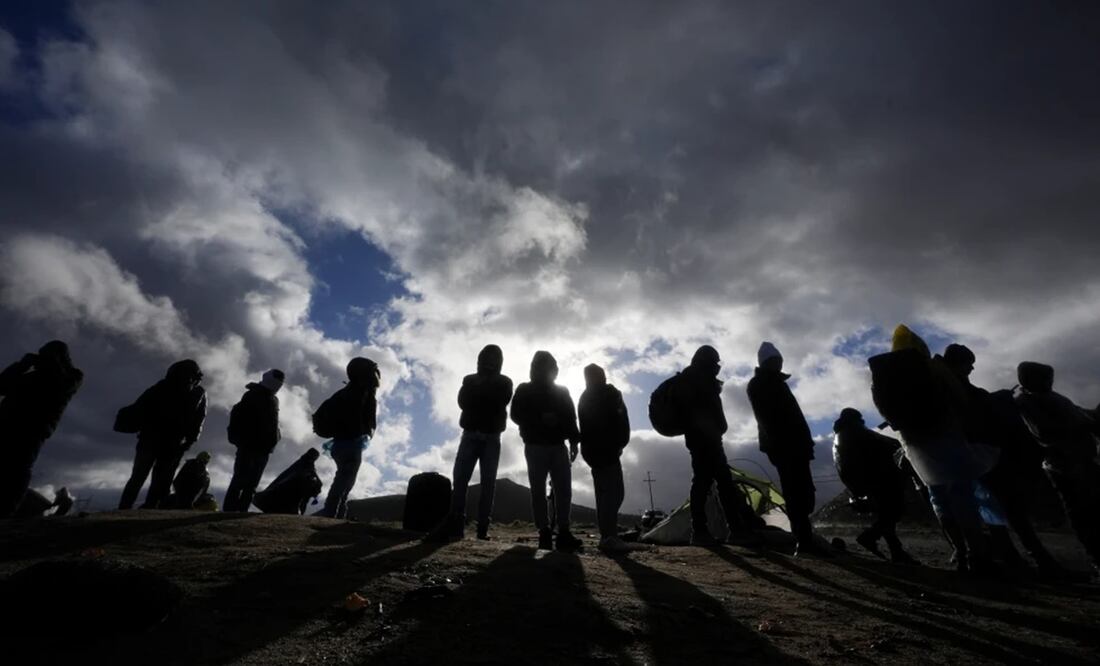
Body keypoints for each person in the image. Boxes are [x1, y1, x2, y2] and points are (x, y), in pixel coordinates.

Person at [873, 326, 997, 574]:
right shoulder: (933, 367)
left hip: (915, 446)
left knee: (939, 499)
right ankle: (977, 556)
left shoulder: (884, 372)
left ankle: (960, 552)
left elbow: (885, 411)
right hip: (947, 437)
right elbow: (960, 399)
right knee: (963, 497)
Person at [943, 345, 1064, 574]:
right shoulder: (954, 387)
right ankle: (1036, 561)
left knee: (997, 510)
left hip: (974, 456)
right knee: (1009, 509)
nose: (972, 367)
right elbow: (975, 413)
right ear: (959, 363)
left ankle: (1017, 559)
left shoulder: (951, 385)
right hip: (983, 455)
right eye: (969, 363)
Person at [1014, 361, 1100, 573]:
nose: (1050, 382)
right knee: (1083, 513)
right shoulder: (1027, 402)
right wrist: (1084, 424)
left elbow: (1077, 414)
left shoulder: (1045, 397)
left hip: (1080, 461)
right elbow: (1045, 432)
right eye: (1046, 379)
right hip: (1066, 466)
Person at [747, 342, 828, 557]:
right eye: (774, 360)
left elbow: (795, 417)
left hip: (796, 446)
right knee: (796, 493)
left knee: (805, 493)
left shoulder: (777, 383)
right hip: (784, 447)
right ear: (766, 362)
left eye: (779, 360)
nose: (778, 363)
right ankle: (803, 541)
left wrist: (805, 443)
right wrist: (779, 445)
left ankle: (804, 538)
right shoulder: (759, 384)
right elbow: (767, 419)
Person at [428, 345, 513, 542]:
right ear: (480, 359)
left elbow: (500, 401)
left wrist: (480, 395)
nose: (490, 362)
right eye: (486, 357)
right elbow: (463, 402)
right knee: (460, 479)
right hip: (470, 434)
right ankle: (456, 523)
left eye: (494, 358)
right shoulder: (469, 379)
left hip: (491, 437)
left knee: (488, 483)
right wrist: (484, 395)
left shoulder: (504, 381)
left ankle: (482, 529)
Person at [677, 345, 759, 546]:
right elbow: (704, 411)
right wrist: (713, 430)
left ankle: (707, 531)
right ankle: (724, 531)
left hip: (704, 439)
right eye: (715, 362)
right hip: (706, 440)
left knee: (708, 484)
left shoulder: (692, 378)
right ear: (707, 362)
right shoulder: (699, 380)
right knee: (718, 484)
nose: (717, 367)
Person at [0, 341, 84, 518]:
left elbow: (62, 387)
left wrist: (50, 363)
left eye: (47, 354)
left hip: (33, 430)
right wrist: (21, 366)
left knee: (18, 470)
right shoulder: (30, 376)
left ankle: (6, 512)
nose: (42, 357)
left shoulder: (72, 376)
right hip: (6, 424)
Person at [510, 351, 583, 551]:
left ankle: (562, 532)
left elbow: (570, 417)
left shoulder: (562, 391)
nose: (547, 371)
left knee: (562, 490)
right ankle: (545, 531)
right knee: (540, 490)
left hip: (557, 445)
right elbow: (515, 414)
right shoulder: (524, 389)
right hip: (535, 445)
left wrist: (575, 441)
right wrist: (540, 418)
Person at [832, 408, 919, 564]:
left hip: (862, 482)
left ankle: (895, 551)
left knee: (887, 514)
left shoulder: (840, 436)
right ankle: (872, 537)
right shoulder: (854, 431)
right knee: (892, 512)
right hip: (877, 478)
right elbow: (886, 444)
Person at [118, 360, 207, 510]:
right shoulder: (197, 393)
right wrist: (190, 441)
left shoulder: (161, 386)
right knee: (161, 479)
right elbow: (198, 419)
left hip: (149, 438)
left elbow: (140, 407)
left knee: (138, 476)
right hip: (174, 442)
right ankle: (151, 508)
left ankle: (124, 507)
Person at [314, 357, 379, 519]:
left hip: (341, 444)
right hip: (350, 443)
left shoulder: (346, 393)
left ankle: (337, 516)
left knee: (345, 481)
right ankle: (331, 516)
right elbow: (361, 421)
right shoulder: (359, 394)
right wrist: (362, 432)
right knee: (344, 482)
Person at [578, 364, 632, 553]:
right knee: (614, 493)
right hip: (605, 452)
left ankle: (607, 536)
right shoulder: (610, 394)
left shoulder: (585, 397)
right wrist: (618, 444)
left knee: (604, 495)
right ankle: (609, 536)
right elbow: (619, 420)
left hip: (595, 452)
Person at [223, 369, 285, 512]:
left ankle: (239, 510)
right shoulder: (253, 395)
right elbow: (239, 418)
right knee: (240, 480)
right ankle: (230, 510)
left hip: (263, 448)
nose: (279, 384)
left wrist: (275, 438)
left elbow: (272, 423)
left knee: (250, 483)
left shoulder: (271, 399)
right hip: (250, 446)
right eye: (278, 381)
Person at [255, 449, 323, 514]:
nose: (314, 458)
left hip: (299, 489)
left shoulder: (310, 465)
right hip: (291, 487)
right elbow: (296, 474)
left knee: (303, 499)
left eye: (316, 457)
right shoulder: (302, 463)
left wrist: (317, 482)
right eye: (314, 456)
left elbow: (313, 474)